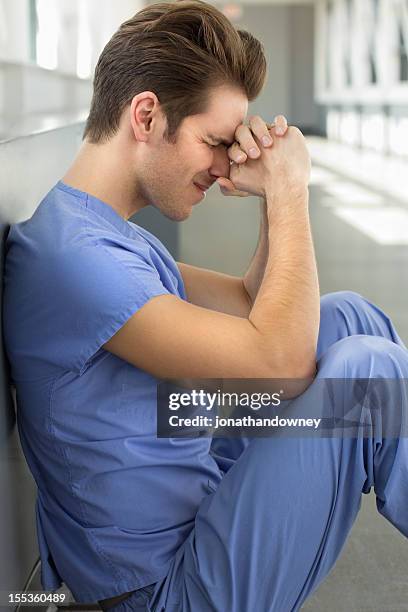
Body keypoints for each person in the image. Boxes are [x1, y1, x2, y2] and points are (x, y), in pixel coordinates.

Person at [3, 1, 407, 611]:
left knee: (347, 317)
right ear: (146, 115)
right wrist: (293, 188)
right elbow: (280, 366)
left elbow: (250, 302)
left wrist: (273, 198)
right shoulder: (72, 260)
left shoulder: (108, 236)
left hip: (196, 497)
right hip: (161, 590)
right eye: (214, 142)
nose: (224, 168)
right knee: (369, 371)